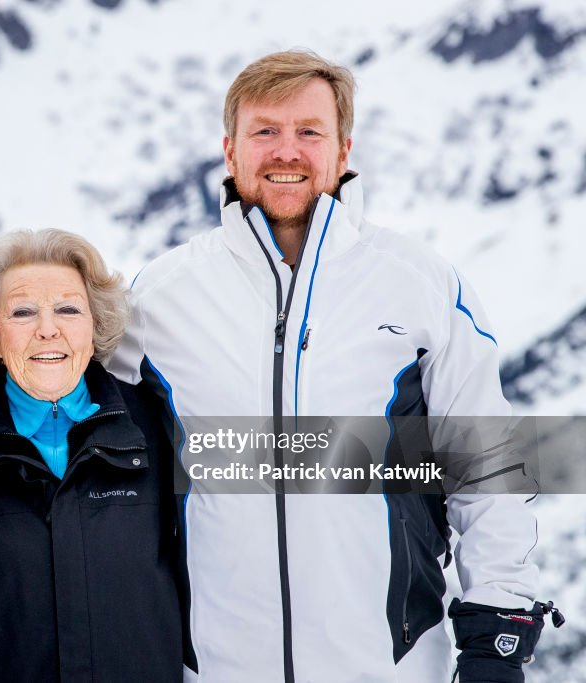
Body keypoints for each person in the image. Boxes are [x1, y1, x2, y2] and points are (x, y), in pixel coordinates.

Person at [109, 50, 553, 682]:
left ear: (344, 150)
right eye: (265, 131)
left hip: (389, 666)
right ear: (230, 151)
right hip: (215, 668)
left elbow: (486, 466)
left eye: (308, 132)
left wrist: (499, 626)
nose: (286, 151)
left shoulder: (419, 284)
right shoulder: (159, 297)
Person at [0, 229, 186, 682]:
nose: (48, 328)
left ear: (95, 326)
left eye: (68, 309)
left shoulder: (160, 427)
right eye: (23, 311)